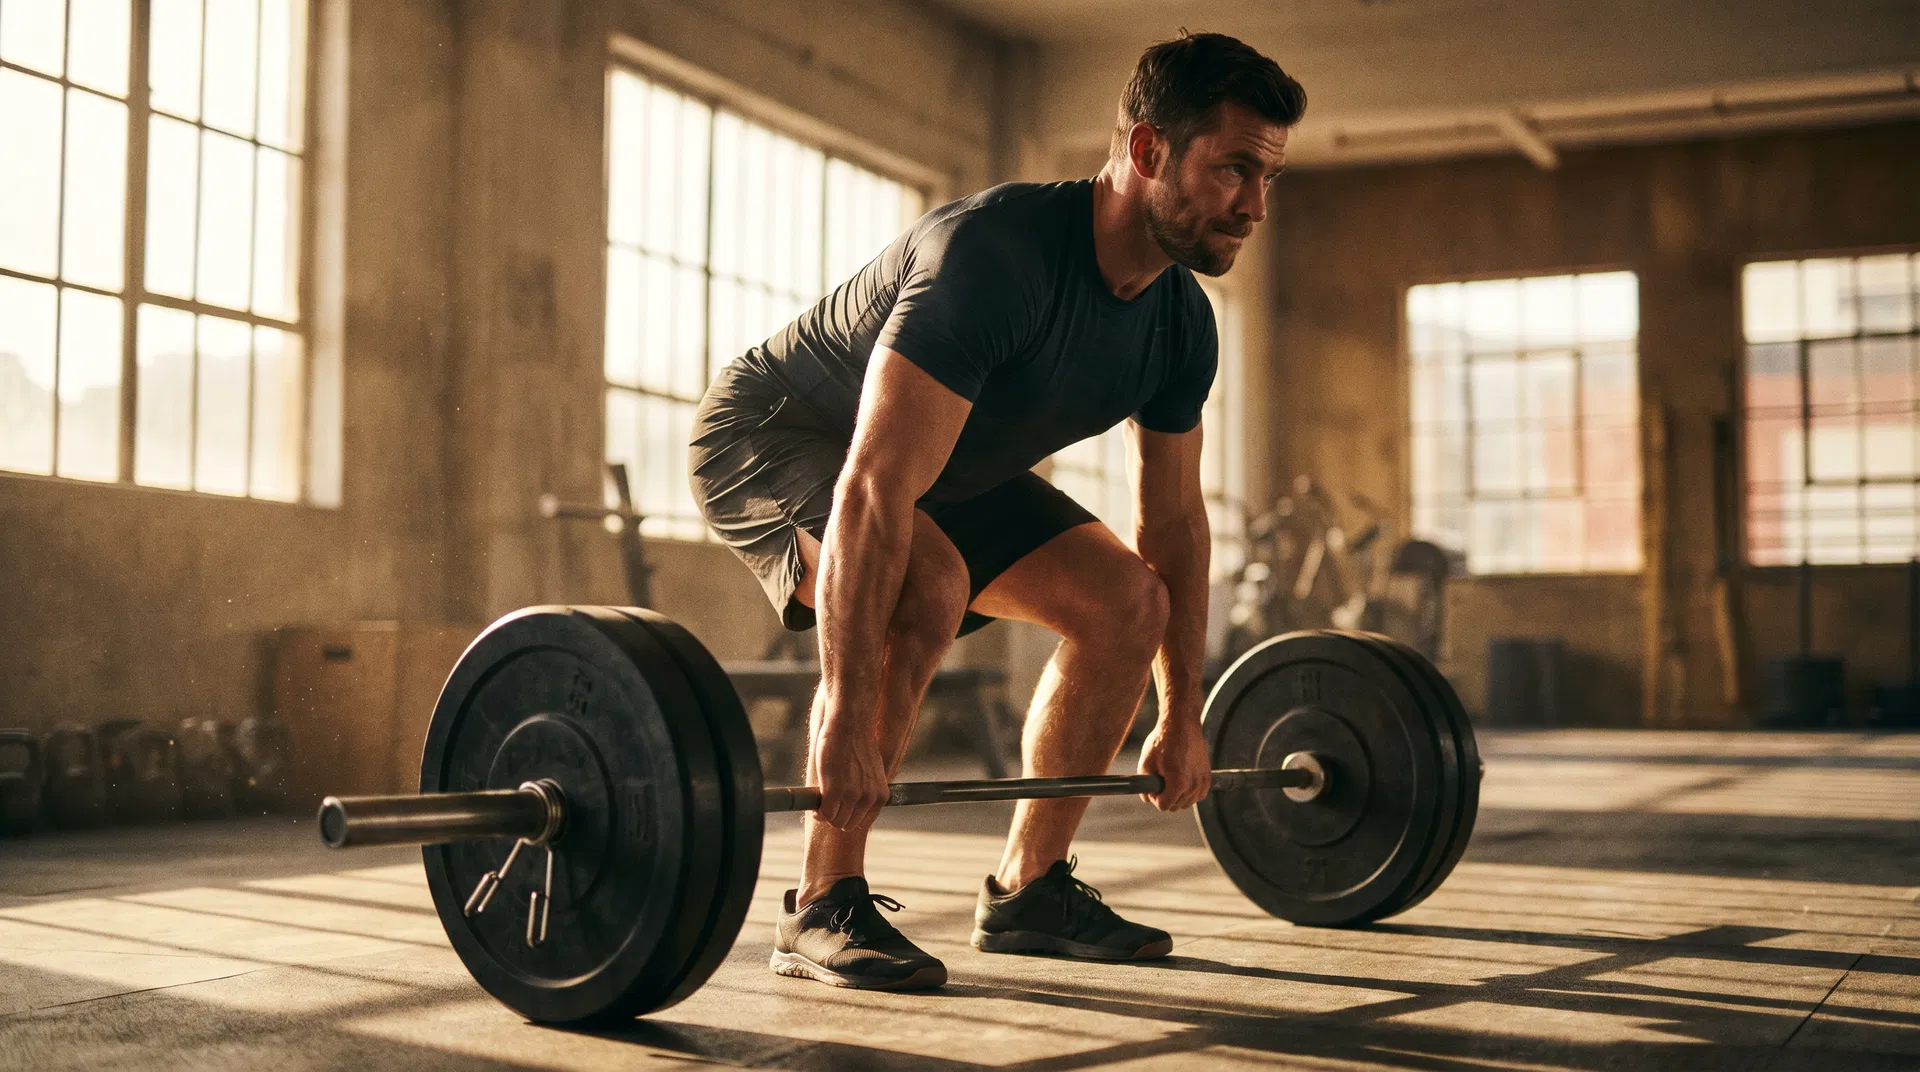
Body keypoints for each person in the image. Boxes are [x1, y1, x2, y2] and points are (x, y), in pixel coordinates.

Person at [690, 31, 1305, 990]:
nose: (1253, 205)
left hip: (945, 468)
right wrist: (846, 712)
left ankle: (1028, 890)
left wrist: (1183, 709)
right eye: (1232, 169)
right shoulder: (994, 255)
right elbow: (874, 487)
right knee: (923, 582)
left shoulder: (1182, 322)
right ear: (1147, 152)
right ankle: (821, 902)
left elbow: (1175, 525)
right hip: (777, 436)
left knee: (1128, 605)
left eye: (1265, 178)